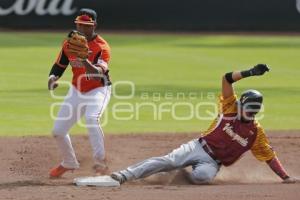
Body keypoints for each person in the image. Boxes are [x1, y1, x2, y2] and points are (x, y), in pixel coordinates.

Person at [111, 64, 299, 184]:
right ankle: (124, 175)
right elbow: (226, 78)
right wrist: (249, 73)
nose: (242, 108)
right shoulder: (229, 107)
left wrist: (285, 177)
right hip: (197, 147)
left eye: (247, 107)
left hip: (212, 162)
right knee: (169, 161)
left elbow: (269, 156)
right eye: (242, 105)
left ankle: (176, 176)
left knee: (202, 177)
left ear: (253, 110)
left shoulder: (255, 133)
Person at [48, 8, 111, 178]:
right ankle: (69, 162)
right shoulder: (69, 43)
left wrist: (84, 59)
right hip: (76, 89)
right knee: (58, 131)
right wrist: (53, 77)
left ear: (94, 26)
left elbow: (98, 73)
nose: (82, 29)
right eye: (79, 25)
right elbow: (60, 65)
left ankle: (100, 162)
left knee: (92, 118)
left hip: (98, 89)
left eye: (86, 26)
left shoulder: (102, 47)